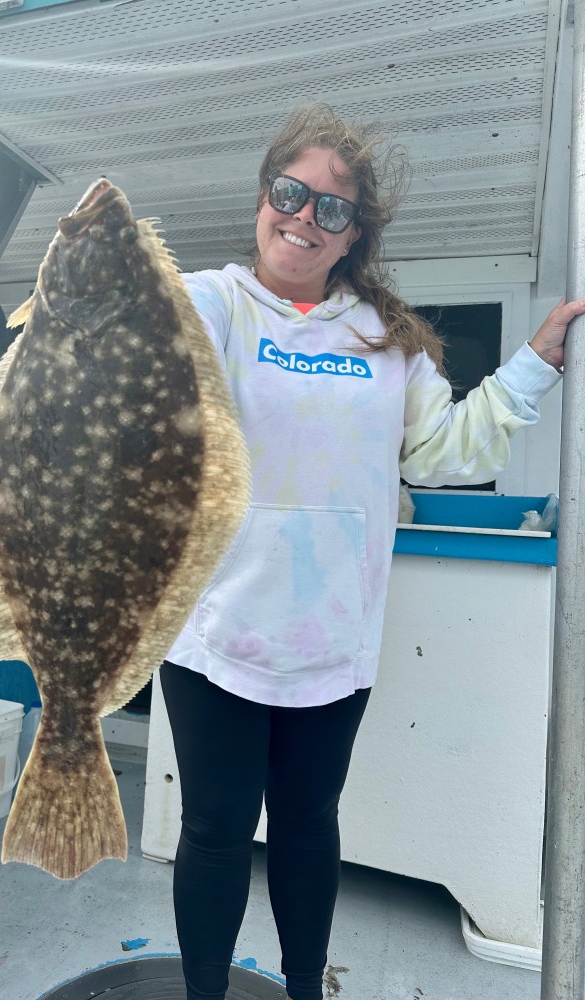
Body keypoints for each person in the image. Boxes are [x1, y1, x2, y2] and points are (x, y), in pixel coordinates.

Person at [158, 103, 585, 1000]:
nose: (304, 219)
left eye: (331, 209)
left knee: (309, 826)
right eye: (291, 193)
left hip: (332, 643)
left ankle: (305, 988)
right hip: (210, 634)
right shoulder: (210, 303)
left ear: (354, 235)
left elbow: (449, 452)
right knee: (213, 833)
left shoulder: (386, 341)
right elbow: (145, 351)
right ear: (262, 196)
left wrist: (536, 363)